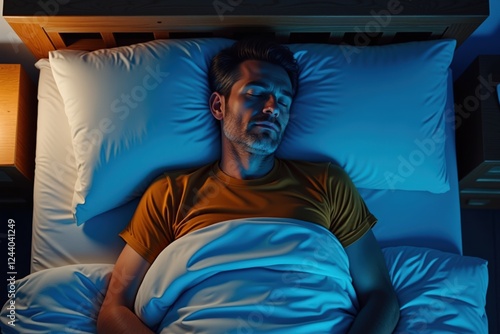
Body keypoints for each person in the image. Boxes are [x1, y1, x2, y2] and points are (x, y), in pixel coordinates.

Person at [97, 39, 400, 333]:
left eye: (284, 100)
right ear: (219, 105)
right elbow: (114, 309)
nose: (272, 107)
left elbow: (380, 295)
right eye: (255, 93)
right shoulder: (170, 193)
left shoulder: (327, 182)